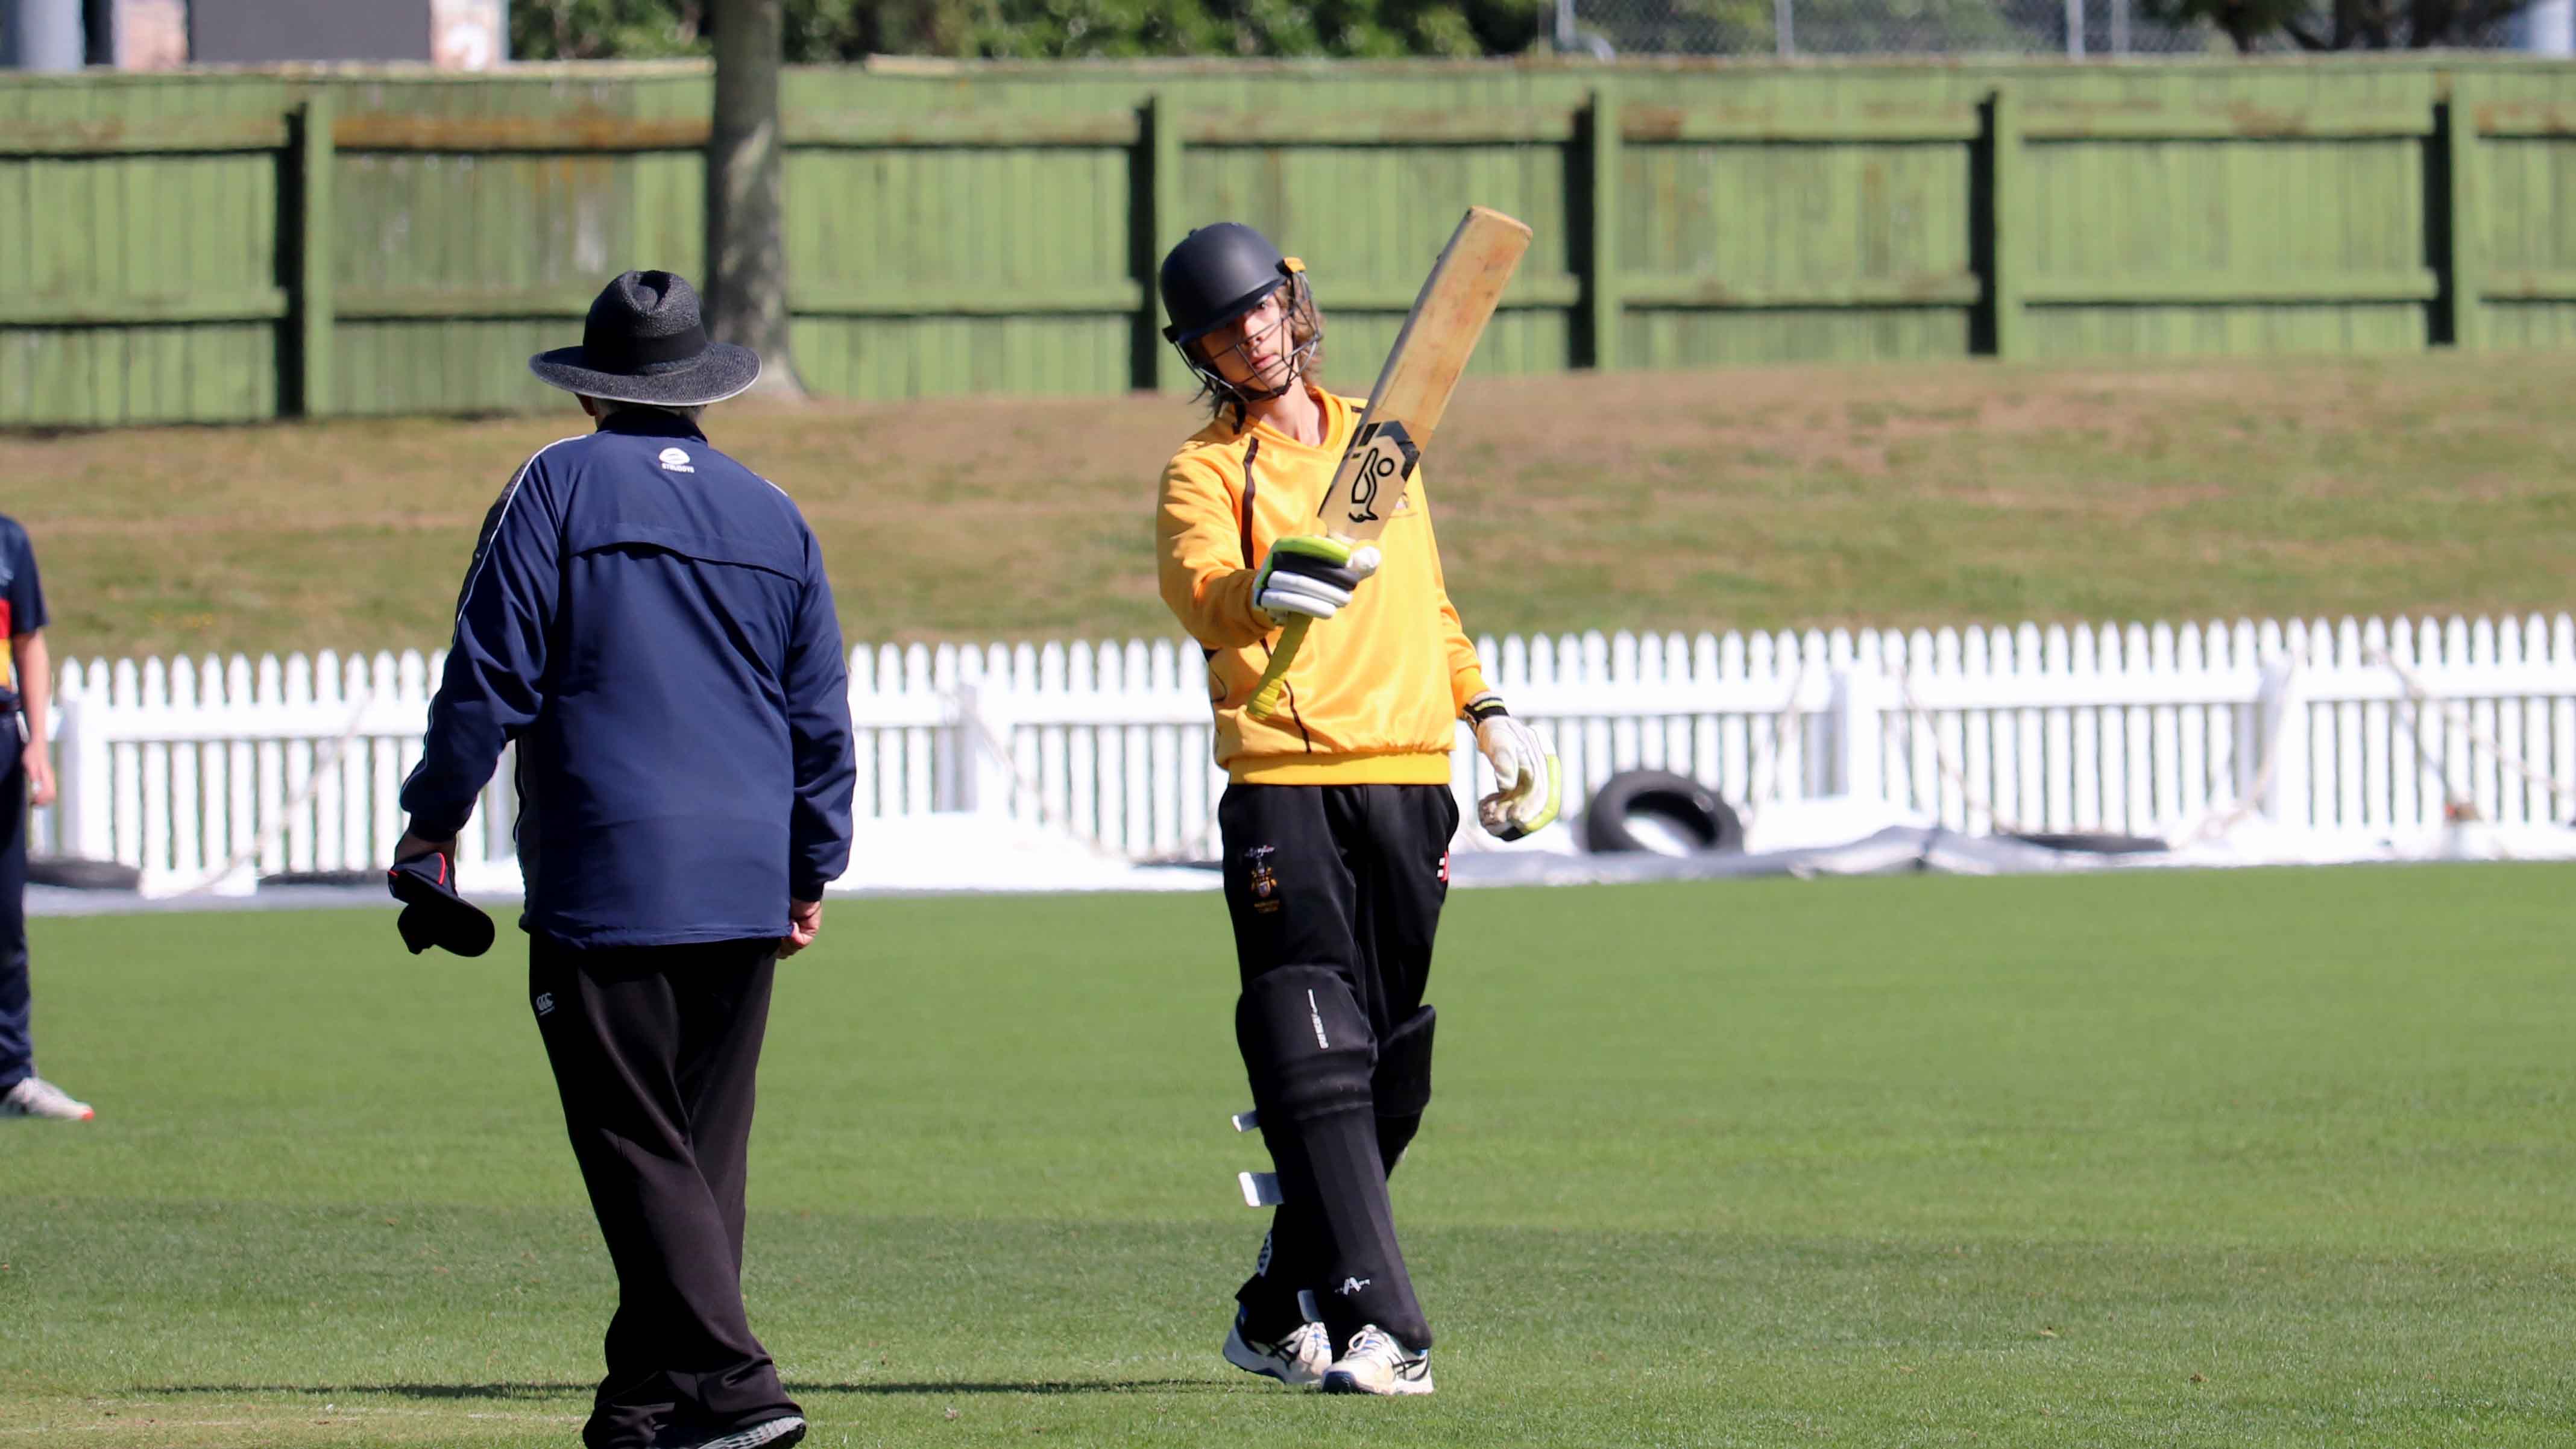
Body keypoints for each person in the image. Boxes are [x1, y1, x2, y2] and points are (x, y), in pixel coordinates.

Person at [394, 269, 855, 1449]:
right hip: (746, 871)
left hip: (610, 867)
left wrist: (432, 817)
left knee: (635, 1140)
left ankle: (738, 1380)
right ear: (702, 386)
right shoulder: (773, 512)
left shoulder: (556, 483)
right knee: (701, 1150)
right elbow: (819, 717)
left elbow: (487, 672)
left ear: (594, 389)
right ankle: (649, 1405)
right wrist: (812, 864)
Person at [1152, 222, 1561, 1397]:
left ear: (1293, 304)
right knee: (1304, 1035)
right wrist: (1261, 586)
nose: (1252, 337)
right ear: (1203, 353)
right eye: (1224, 330)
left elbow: (1426, 605)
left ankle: (1278, 1299)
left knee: (1387, 1066)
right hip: (1284, 775)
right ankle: (1391, 1325)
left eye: (1261, 311)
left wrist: (1488, 710)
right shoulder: (1207, 472)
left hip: (1407, 777)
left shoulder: (1382, 448)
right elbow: (1202, 593)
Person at [0, 514, 88, 1122]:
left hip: (2, 737)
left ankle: (12, 1077)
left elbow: (29, 643)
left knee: (4, 919)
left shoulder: (9, 541)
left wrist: (36, 744)